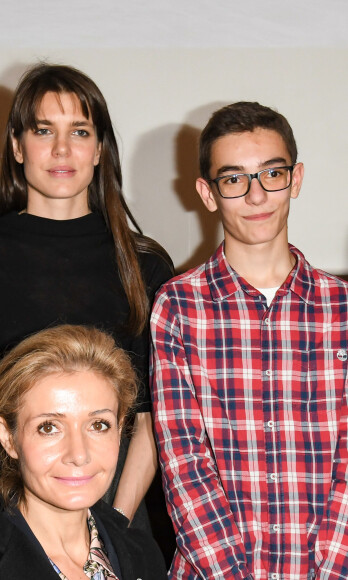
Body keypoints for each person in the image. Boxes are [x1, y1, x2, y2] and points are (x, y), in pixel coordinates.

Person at [0, 63, 174, 534]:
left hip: (117, 511)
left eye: (79, 131)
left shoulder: (146, 265)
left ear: (99, 149)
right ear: (18, 147)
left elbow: (150, 420)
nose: (62, 149)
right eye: (44, 130)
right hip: (6, 512)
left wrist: (112, 534)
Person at [150, 101, 348, 578]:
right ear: (208, 192)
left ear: (295, 179)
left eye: (272, 174)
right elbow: (184, 462)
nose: (257, 196)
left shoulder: (343, 308)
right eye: (234, 179)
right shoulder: (177, 307)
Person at [0, 325, 167, 579]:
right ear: (8, 438)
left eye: (98, 425)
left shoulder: (143, 553)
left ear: (120, 429)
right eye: (49, 427)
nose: (78, 454)